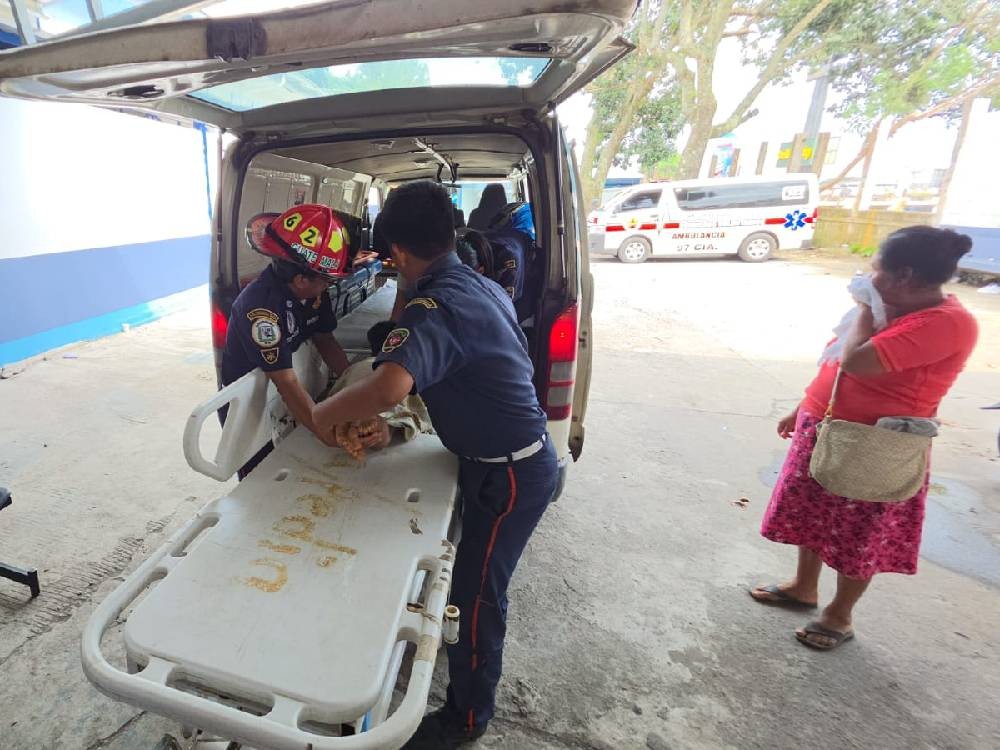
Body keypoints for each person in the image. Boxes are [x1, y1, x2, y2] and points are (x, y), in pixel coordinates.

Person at [311, 180, 558, 747]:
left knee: (476, 596)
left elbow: (389, 384)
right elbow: (448, 377)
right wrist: (392, 427)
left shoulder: (434, 305)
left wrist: (319, 416)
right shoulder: (475, 281)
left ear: (397, 252)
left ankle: (466, 719)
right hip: (499, 458)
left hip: (508, 475)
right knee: (467, 580)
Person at [751, 226, 979, 650]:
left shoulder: (946, 323)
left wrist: (864, 309)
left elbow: (855, 361)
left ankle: (839, 616)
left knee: (858, 533)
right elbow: (834, 366)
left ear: (903, 275)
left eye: (876, 269)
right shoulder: (892, 309)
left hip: (875, 445)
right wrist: (803, 406)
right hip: (826, 424)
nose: (869, 277)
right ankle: (804, 587)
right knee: (811, 514)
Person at [221, 204, 353, 475]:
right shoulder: (261, 310)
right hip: (251, 408)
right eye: (327, 281)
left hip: (284, 396)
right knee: (262, 477)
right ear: (302, 280)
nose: (328, 287)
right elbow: (285, 382)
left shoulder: (313, 293)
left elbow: (325, 340)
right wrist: (327, 433)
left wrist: (356, 388)